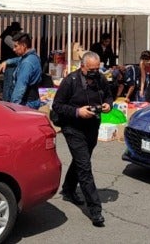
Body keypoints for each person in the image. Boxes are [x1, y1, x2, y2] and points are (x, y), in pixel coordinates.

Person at [51, 52, 112, 227]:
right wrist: (78, 112)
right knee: (84, 166)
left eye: (97, 69)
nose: (95, 72)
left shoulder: (101, 79)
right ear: (82, 67)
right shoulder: (70, 81)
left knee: (81, 161)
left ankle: (69, 189)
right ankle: (95, 210)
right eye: (91, 69)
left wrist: (108, 105)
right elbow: (57, 105)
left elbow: (109, 96)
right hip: (72, 127)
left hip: (92, 126)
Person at [0, 33, 43, 109]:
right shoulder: (32, 57)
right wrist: (7, 62)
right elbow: (18, 60)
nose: (14, 49)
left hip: (27, 103)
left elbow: (20, 88)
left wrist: (13, 107)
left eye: (16, 46)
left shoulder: (27, 64)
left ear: (23, 46)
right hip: (33, 100)